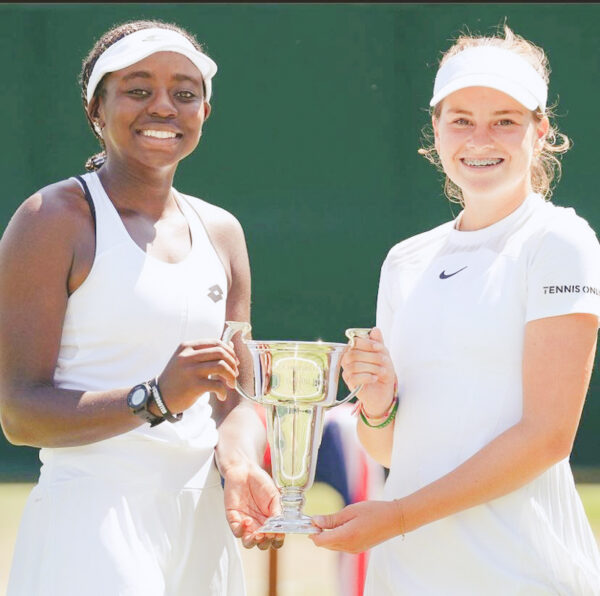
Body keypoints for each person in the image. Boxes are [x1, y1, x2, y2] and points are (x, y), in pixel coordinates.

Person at [310, 24, 600, 595]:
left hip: (523, 576)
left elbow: (547, 437)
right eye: (461, 119)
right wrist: (376, 406)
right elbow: (388, 448)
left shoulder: (560, 242)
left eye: (505, 121)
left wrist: (396, 517)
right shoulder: (405, 260)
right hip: (409, 574)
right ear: (436, 129)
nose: (480, 138)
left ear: (540, 131)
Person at [0, 19, 282, 596]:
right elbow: (19, 414)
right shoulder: (51, 219)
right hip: (90, 521)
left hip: (206, 526)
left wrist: (241, 467)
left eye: (184, 94)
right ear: (96, 110)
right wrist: (153, 398)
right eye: (137, 90)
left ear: (205, 112)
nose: (163, 106)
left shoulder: (222, 232)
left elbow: (233, 404)